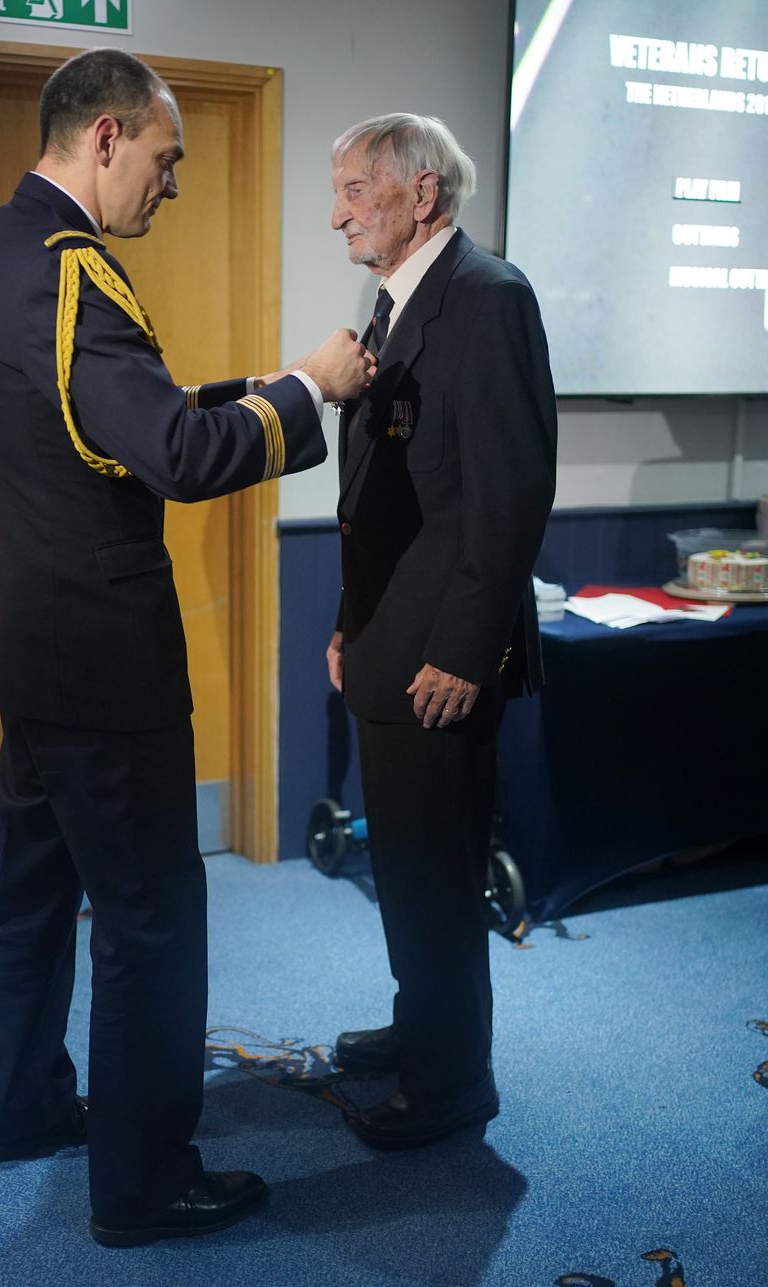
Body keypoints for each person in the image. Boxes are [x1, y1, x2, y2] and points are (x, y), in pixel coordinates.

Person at [0, 48, 374, 1247]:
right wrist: (307, 388)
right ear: (105, 137)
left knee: (36, 900)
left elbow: (115, 421)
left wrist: (257, 387)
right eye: (164, 158)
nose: (170, 185)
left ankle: (20, 1106)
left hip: (29, 651)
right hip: (103, 665)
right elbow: (177, 458)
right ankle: (142, 1185)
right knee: (149, 920)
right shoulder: (73, 275)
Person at [325, 113, 557, 1149]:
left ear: (421, 194)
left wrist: (466, 650)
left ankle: (454, 1080)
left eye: (355, 191)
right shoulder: (394, 302)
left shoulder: (489, 296)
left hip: (440, 656)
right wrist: (348, 622)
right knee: (407, 872)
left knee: (437, 879)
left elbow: (510, 496)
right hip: (387, 639)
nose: (338, 216)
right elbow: (378, 496)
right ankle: (422, 1026)